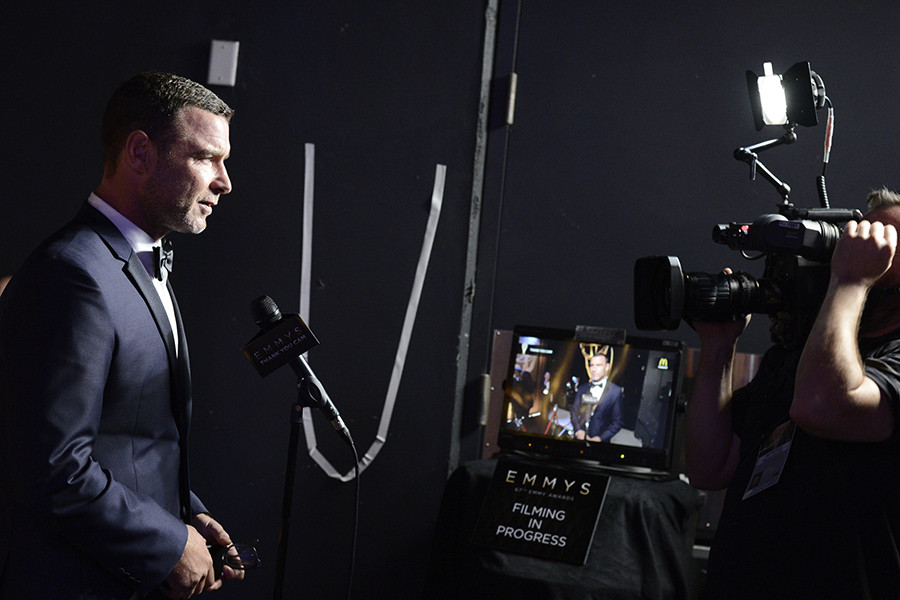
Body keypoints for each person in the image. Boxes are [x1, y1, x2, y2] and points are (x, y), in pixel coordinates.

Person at [0, 72, 244, 599]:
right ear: (140, 153)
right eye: (206, 158)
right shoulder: (72, 274)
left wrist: (187, 515)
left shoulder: (137, 263)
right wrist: (167, 542)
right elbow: (52, 468)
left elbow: (130, 436)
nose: (224, 181)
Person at [686, 188, 900, 599]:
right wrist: (718, 348)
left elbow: (822, 406)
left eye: (883, 240)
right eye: (859, 234)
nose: (860, 245)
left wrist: (850, 279)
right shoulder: (799, 357)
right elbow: (709, 467)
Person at [570, 352, 624, 442]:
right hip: (579, 439)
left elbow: (617, 422)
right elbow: (574, 411)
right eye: (591, 365)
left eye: (598, 365)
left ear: (607, 367)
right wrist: (578, 430)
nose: (593, 369)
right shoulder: (582, 388)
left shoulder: (615, 392)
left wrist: (600, 438)